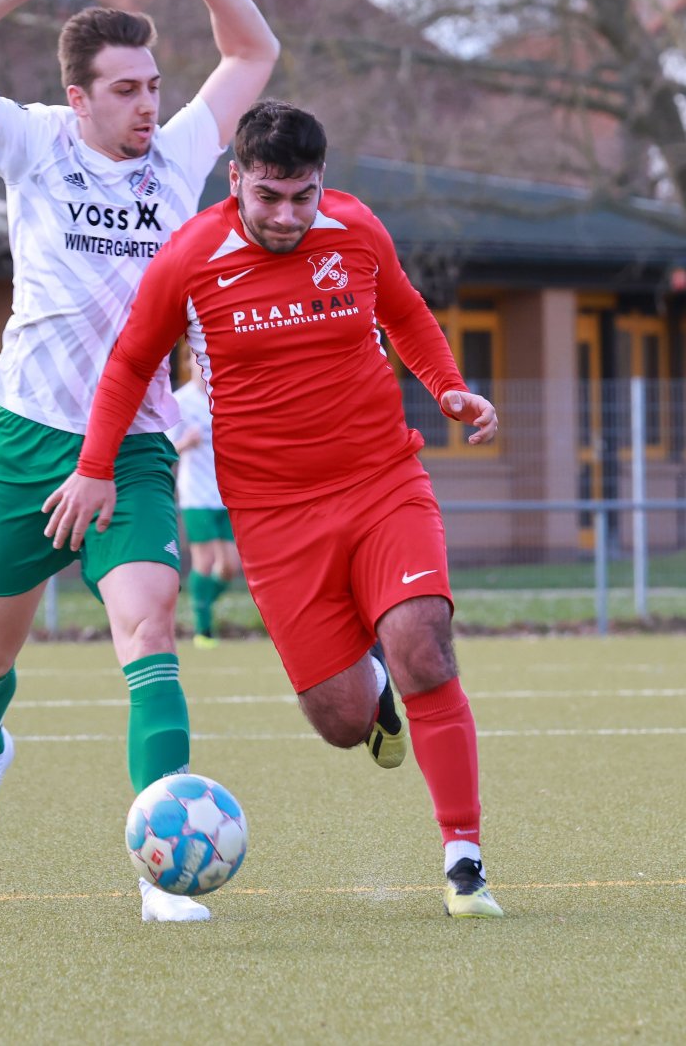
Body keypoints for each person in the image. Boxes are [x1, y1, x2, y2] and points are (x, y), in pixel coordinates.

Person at [0, 0, 278, 922]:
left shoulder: (184, 154)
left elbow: (253, 55)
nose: (148, 102)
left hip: (139, 448)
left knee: (147, 628)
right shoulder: (29, 143)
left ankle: (158, 875)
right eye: (125, 88)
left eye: (153, 84)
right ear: (78, 97)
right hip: (26, 444)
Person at [43, 100, 505, 919]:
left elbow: (403, 311)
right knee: (339, 720)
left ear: (322, 184)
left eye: (304, 196)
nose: (289, 216)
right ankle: (373, 689)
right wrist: (95, 467)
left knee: (423, 643)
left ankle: (464, 860)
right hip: (272, 514)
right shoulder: (190, 257)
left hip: (380, 481)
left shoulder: (357, 230)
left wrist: (449, 388)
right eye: (269, 198)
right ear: (236, 183)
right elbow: (127, 365)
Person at [168, 350, 240, 648]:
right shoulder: (180, 402)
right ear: (189, 365)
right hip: (195, 494)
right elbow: (167, 449)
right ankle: (203, 629)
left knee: (229, 566)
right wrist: (187, 442)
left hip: (224, 494)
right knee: (205, 560)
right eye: (199, 363)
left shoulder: (225, 398)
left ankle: (199, 605)